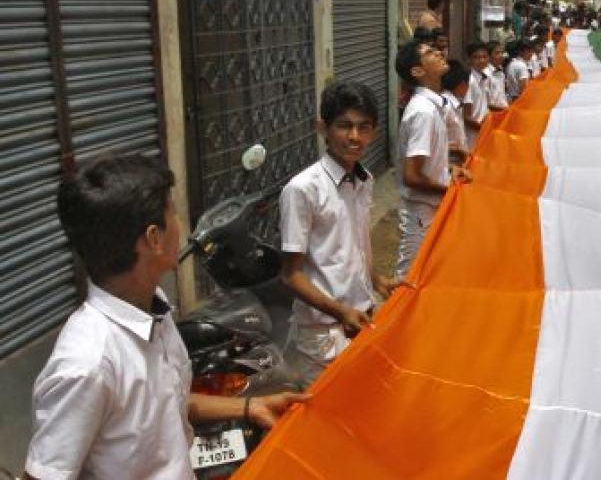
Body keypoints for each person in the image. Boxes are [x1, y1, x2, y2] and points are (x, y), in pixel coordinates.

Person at [25, 154, 305, 479]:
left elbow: (167, 403)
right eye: (173, 212)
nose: (180, 224)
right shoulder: (87, 365)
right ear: (154, 239)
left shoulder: (151, 308)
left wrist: (250, 406)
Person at [279, 81, 396, 384]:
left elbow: (354, 244)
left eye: (363, 127)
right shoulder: (302, 189)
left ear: (374, 132)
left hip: (361, 320)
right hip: (323, 335)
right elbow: (291, 275)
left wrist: (376, 279)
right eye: (344, 126)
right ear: (323, 127)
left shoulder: (364, 180)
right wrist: (340, 311)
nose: (355, 136)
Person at [394, 41, 470, 281]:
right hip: (421, 212)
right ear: (417, 71)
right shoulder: (424, 112)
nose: (438, 52)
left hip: (430, 208)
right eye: (429, 53)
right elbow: (412, 175)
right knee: (410, 279)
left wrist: (449, 169)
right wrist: (448, 187)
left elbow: (428, 161)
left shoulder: (432, 106)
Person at [462, 43, 491, 149]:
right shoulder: (470, 81)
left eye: (484, 57)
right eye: (476, 57)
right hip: (473, 135)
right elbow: (466, 116)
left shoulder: (485, 78)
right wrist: (483, 128)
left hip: (484, 131)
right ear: (469, 60)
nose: (481, 60)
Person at [441, 59, 470, 163]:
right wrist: (457, 150)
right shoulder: (445, 106)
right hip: (447, 163)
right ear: (463, 84)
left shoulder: (455, 104)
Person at [485, 41, 509, 112]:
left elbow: (502, 95)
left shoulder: (501, 72)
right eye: (497, 53)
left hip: (503, 111)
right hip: (494, 113)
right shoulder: (486, 74)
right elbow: (485, 101)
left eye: (502, 53)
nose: (501, 55)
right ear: (489, 56)